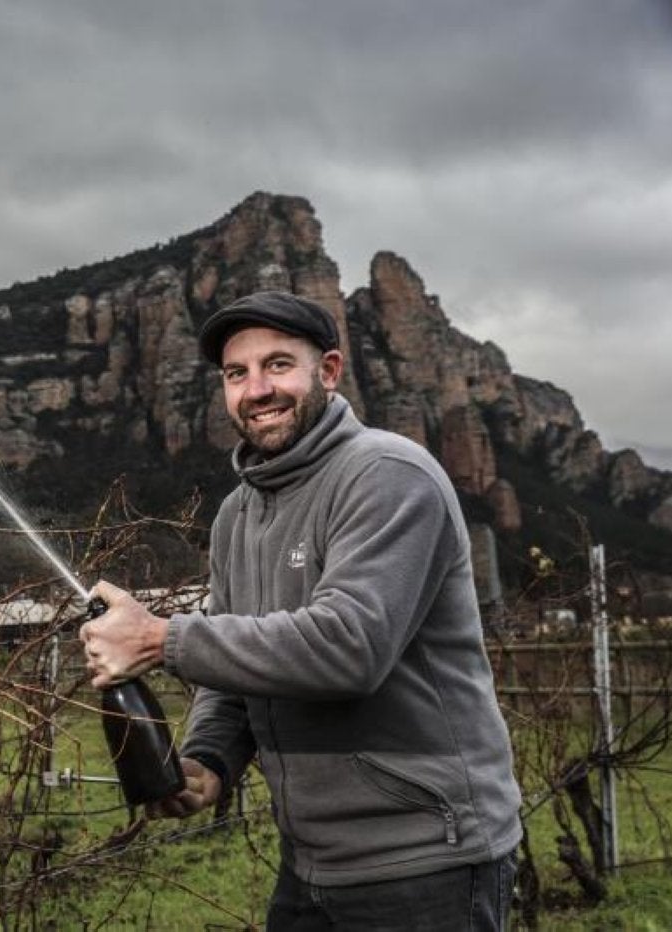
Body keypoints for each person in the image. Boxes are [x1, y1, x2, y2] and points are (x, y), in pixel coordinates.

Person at [80, 291, 521, 931]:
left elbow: (350, 647)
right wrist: (208, 761)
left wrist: (159, 639)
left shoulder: (389, 476)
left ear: (330, 371)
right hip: (312, 864)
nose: (257, 389)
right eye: (237, 374)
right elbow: (234, 668)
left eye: (278, 365)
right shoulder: (238, 514)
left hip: (426, 859)